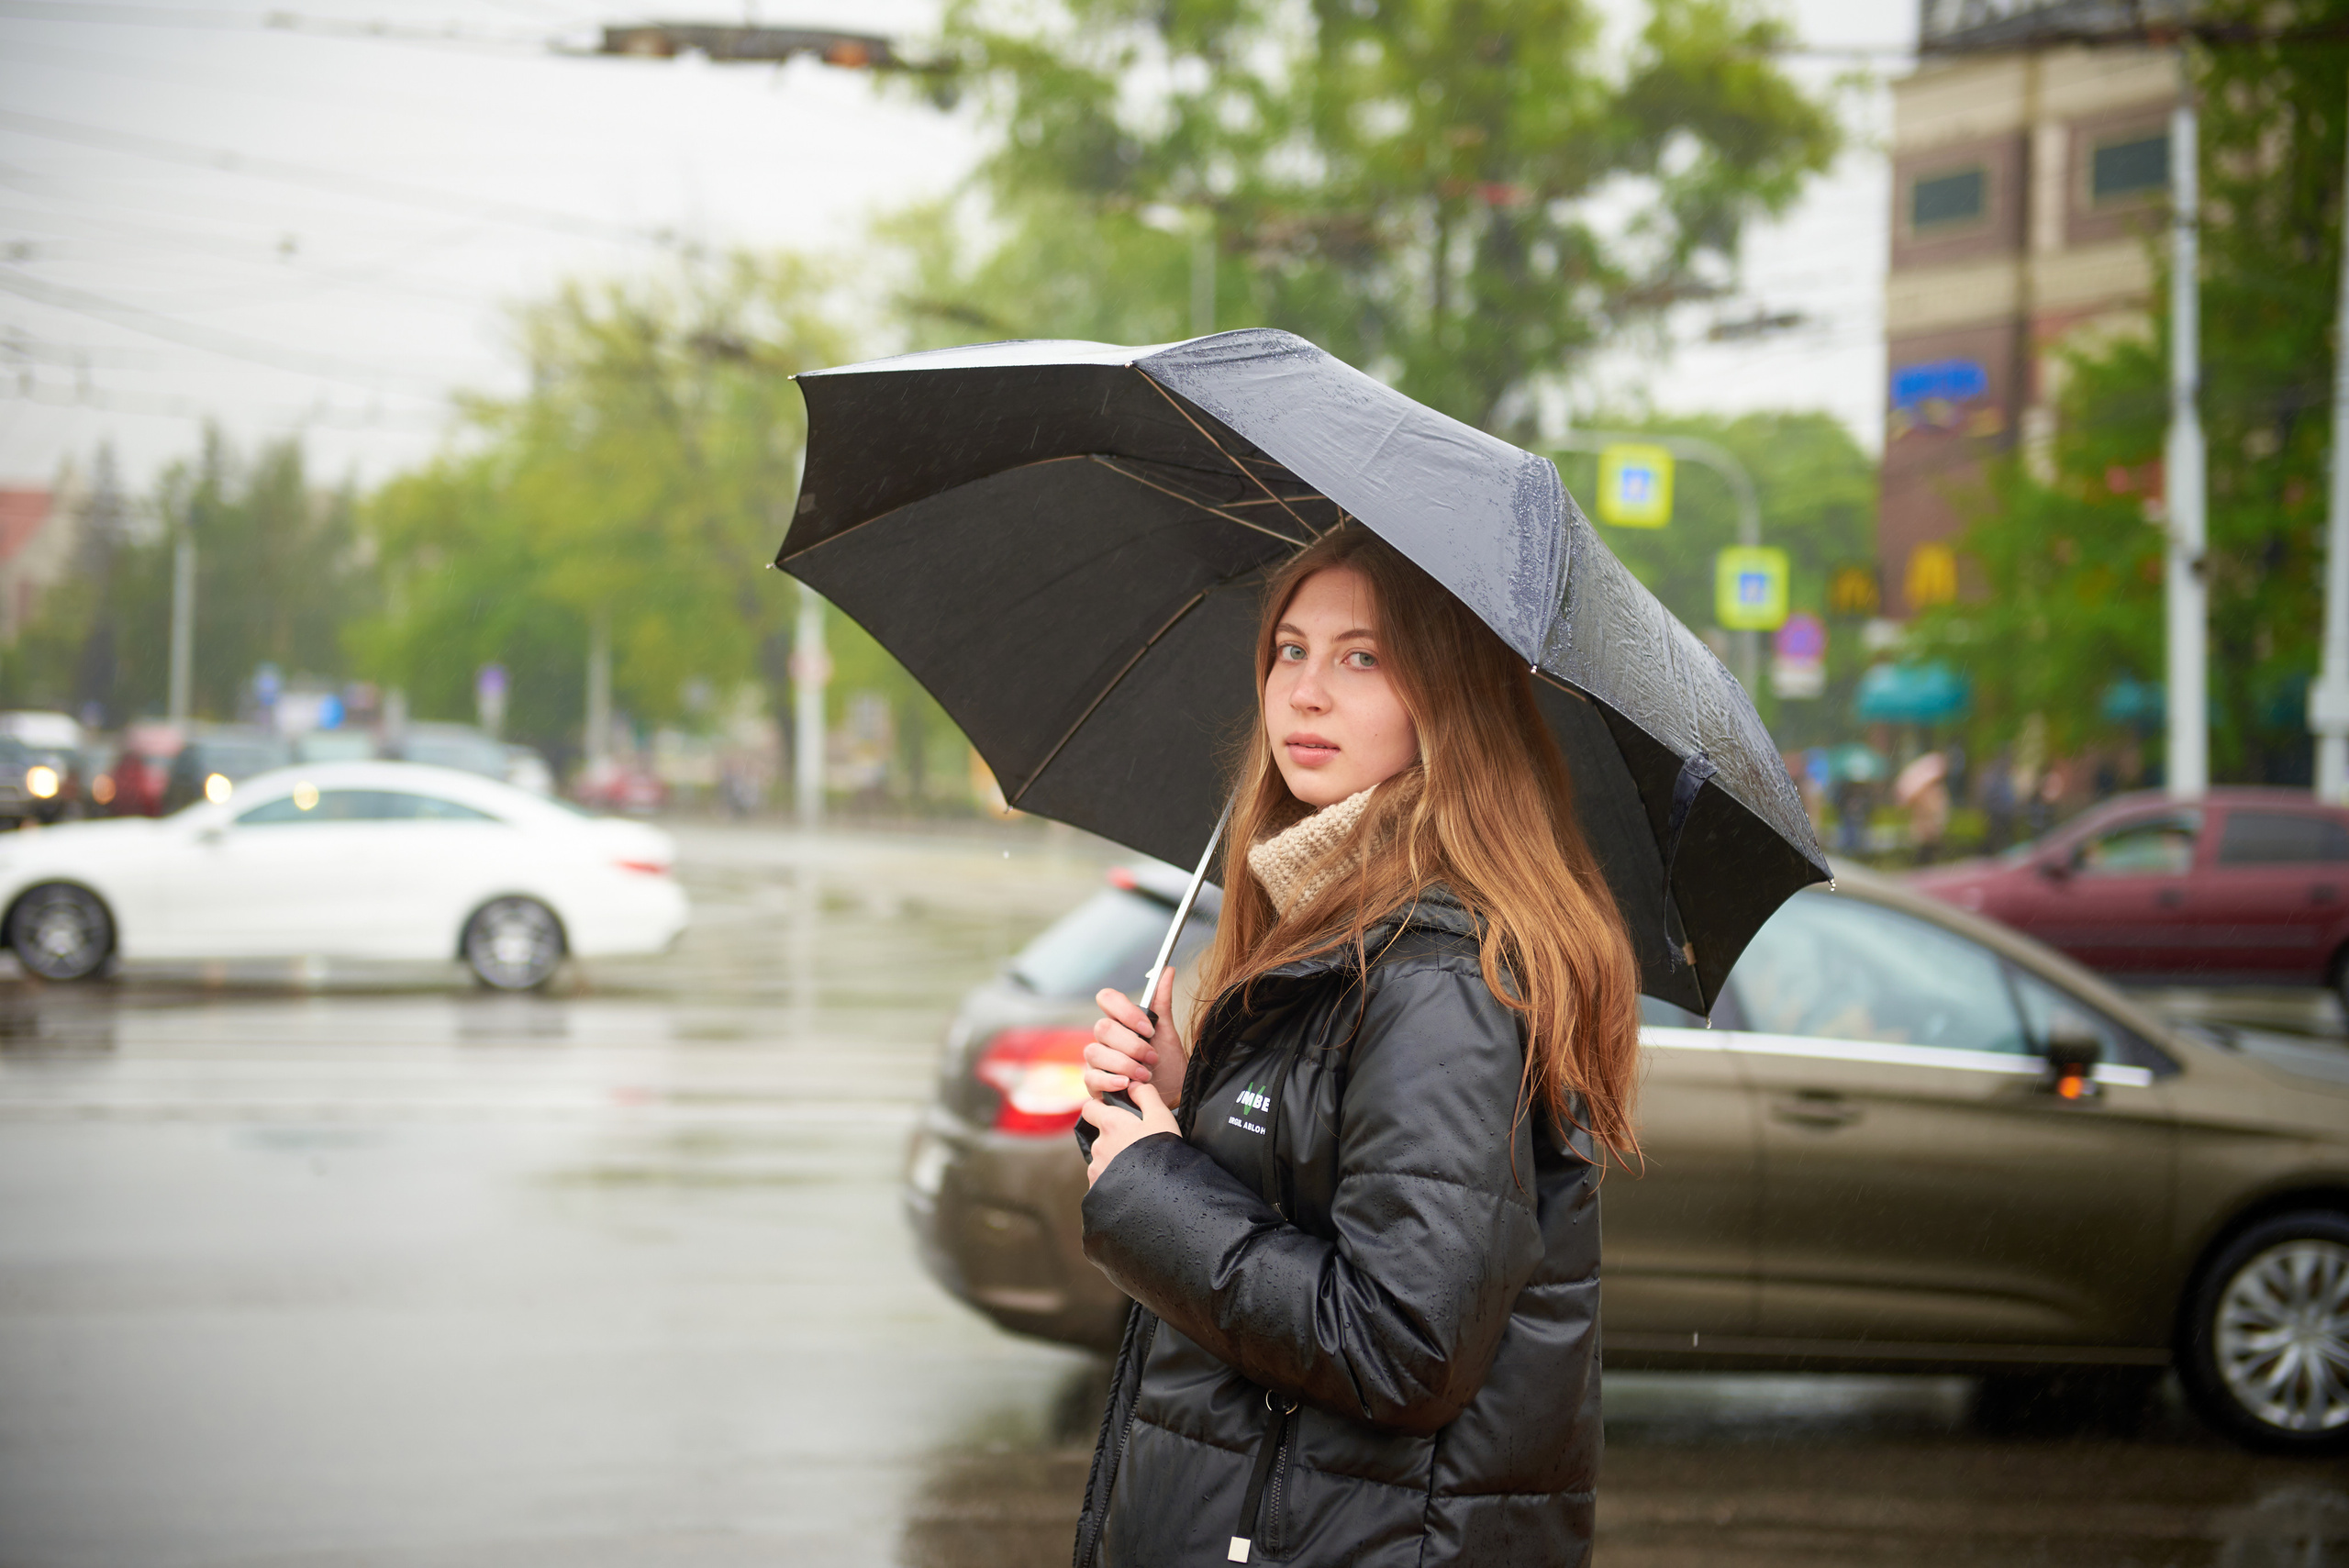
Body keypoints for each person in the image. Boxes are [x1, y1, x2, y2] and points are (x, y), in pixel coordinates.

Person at [1069, 525, 1642, 1567]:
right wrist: (1184, 1101)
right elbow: (1323, 1194)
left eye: (1360, 656)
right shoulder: (1338, 927)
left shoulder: (1442, 976)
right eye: (1289, 648)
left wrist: (1153, 1188)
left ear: (1449, 699)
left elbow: (1402, 1345)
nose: (1305, 691)